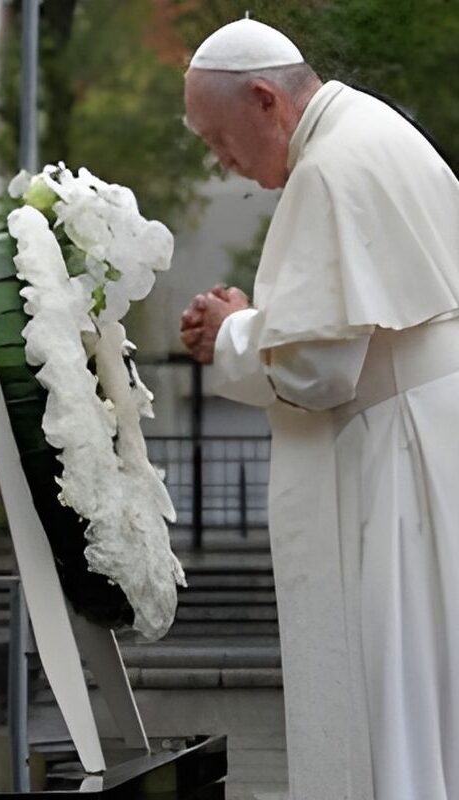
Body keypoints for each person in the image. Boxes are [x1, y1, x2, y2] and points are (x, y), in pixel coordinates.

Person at [180, 17, 459, 800]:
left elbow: (317, 368)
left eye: (220, 139)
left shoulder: (329, 168)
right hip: (436, 438)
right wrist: (255, 319)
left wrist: (230, 331)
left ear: (266, 99)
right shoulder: (379, 131)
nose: (223, 163)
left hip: (400, 466)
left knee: (395, 699)